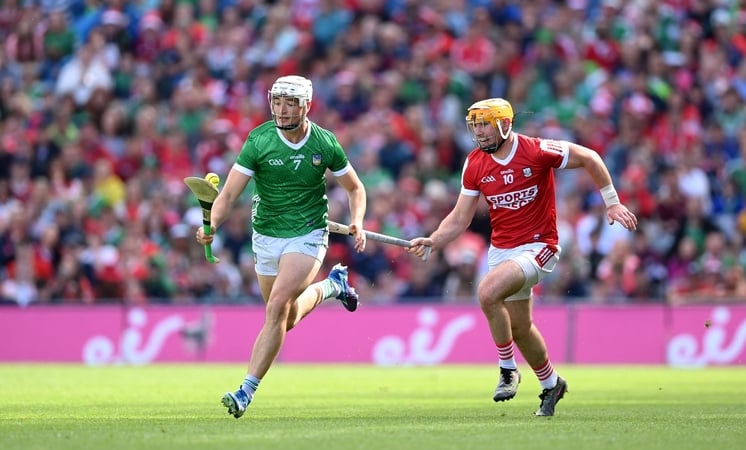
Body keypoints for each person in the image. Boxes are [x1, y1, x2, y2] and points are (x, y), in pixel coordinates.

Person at [408, 98, 638, 417]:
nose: (479, 133)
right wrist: (433, 239)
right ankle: (551, 383)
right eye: (474, 126)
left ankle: (507, 369)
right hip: (502, 250)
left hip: (539, 246)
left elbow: (590, 157)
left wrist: (611, 202)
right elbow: (459, 218)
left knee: (488, 293)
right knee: (520, 328)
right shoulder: (474, 163)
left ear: (505, 124)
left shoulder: (537, 149)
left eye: (485, 125)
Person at [196, 75, 367, 419]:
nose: (282, 109)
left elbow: (355, 188)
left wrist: (357, 220)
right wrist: (213, 223)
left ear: (307, 106)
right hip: (266, 234)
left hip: (308, 233)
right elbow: (228, 194)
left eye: (290, 102)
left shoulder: (324, 143)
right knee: (284, 319)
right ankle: (332, 286)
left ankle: (245, 390)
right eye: (277, 101)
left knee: (275, 308)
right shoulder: (258, 140)